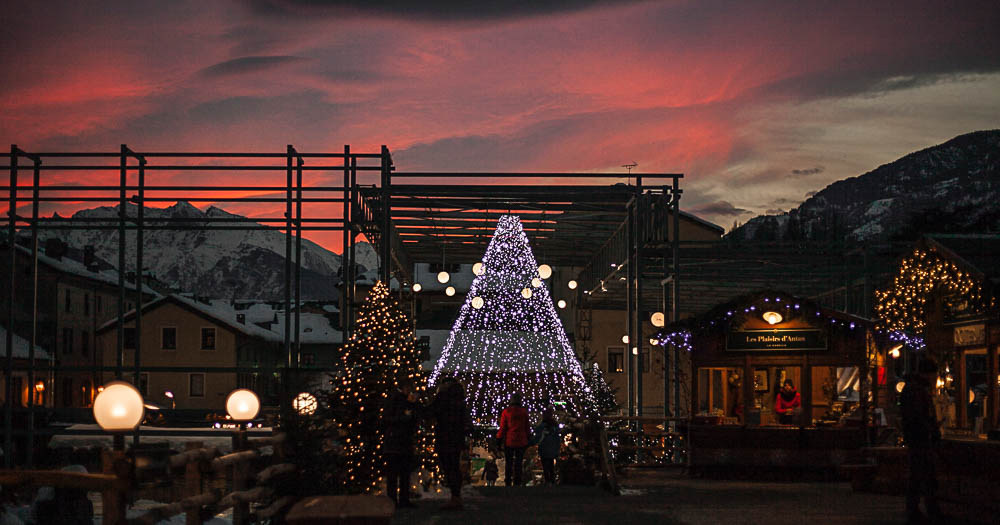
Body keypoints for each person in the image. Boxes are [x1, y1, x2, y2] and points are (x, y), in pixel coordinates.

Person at [900, 357, 942, 523]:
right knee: (925, 477)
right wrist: (932, 431)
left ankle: (916, 510)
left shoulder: (911, 389)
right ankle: (926, 511)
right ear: (930, 374)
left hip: (915, 438)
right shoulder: (919, 391)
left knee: (917, 477)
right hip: (921, 440)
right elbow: (921, 417)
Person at [427, 377, 471, 510]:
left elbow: (430, 412)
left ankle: (455, 498)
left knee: (448, 467)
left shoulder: (442, 398)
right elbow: (466, 420)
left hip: (445, 437)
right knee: (454, 467)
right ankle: (456, 496)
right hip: (456, 438)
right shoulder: (459, 399)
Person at [381, 382, 419, 508]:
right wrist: (403, 418)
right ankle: (393, 499)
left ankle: (403, 499)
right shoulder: (394, 400)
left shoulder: (408, 402)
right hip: (395, 442)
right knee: (394, 473)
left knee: (404, 473)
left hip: (403, 442)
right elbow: (387, 418)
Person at [496, 393, 530, 486]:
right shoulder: (524, 412)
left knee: (509, 462)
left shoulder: (506, 412)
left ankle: (508, 481)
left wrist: (498, 440)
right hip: (521, 440)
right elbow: (527, 427)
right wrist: (528, 438)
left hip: (509, 440)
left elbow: (502, 428)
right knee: (519, 462)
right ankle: (517, 481)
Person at [528, 408, 561, 485]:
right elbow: (557, 439)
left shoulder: (542, 426)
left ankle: (547, 481)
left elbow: (538, 437)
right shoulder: (555, 426)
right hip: (552, 449)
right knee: (551, 465)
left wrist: (530, 443)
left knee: (545, 466)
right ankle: (552, 481)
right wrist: (557, 449)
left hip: (544, 449)